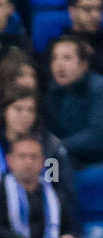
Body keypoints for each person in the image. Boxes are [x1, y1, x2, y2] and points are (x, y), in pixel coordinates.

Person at [0, 134, 103, 238]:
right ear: (9, 160)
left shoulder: (53, 192)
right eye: (22, 156)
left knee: (97, 234)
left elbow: (71, 225)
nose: (28, 162)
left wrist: (68, 236)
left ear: (42, 162)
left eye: (34, 157)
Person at [0, 85, 75, 199]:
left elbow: (61, 192)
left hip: (40, 212)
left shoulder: (50, 149)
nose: (25, 115)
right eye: (18, 109)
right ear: (4, 112)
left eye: (30, 110)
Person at [45, 35, 103, 169]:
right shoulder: (52, 91)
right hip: (63, 160)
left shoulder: (99, 88)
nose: (59, 64)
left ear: (84, 65)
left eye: (67, 58)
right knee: (48, 173)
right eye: (55, 58)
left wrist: (60, 145)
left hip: (95, 161)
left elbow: (98, 135)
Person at [57, 0, 103, 75]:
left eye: (99, 8)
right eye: (87, 8)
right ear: (72, 11)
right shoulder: (59, 45)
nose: (96, 15)